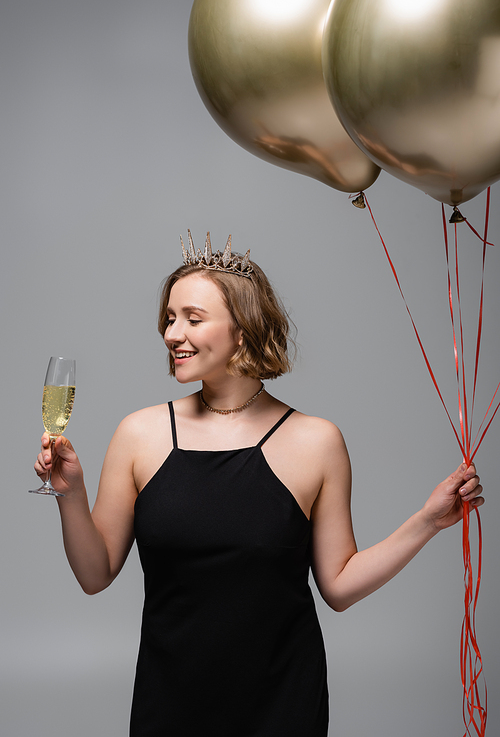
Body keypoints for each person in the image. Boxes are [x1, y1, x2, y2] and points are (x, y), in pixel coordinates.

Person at [34, 232, 483, 737]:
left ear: (243, 330)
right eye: (169, 317)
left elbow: (337, 586)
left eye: (192, 318)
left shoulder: (317, 441)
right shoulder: (139, 434)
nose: (171, 333)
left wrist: (426, 522)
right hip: (171, 702)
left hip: (283, 704)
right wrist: (70, 495)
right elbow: (95, 575)